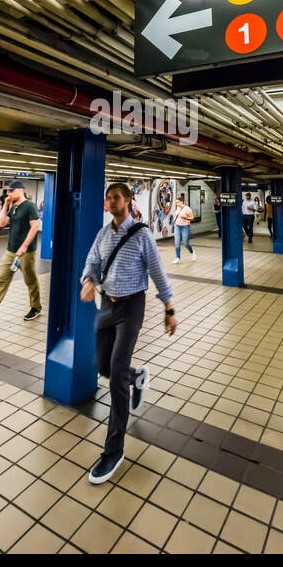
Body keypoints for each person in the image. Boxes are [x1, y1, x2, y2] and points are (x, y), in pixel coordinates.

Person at [79, 182, 176, 484]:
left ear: (128, 201)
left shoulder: (143, 234)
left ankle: (114, 450)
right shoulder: (104, 233)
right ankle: (137, 377)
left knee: (116, 374)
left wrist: (168, 307)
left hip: (132, 307)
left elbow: (157, 271)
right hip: (107, 306)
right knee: (103, 366)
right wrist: (88, 280)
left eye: (116, 197)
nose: (110, 201)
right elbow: (93, 261)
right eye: (107, 197)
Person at [0, 180, 42, 326]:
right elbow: (1, 223)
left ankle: (35, 307)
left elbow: (34, 227)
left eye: (11, 191)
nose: (9, 194)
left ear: (20, 190)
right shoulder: (13, 206)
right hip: (11, 251)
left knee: (30, 280)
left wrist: (24, 246)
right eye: (8, 191)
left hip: (26, 252)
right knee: (1, 282)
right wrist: (5, 204)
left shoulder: (30, 206)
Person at [171, 199, 196, 264]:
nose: (177, 204)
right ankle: (177, 258)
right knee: (177, 242)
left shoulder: (187, 208)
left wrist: (186, 218)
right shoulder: (177, 208)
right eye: (176, 202)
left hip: (185, 227)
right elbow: (175, 215)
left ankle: (192, 252)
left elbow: (192, 218)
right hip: (177, 226)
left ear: (182, 202)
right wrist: (174, 221)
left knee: (185, 243)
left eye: (178, 202)